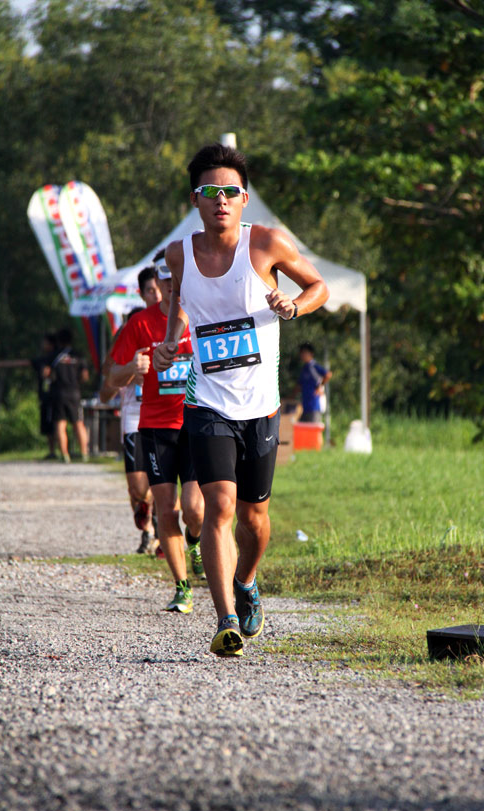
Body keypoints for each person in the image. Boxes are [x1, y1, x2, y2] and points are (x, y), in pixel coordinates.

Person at [154, 142, 329, 657]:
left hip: (262, 406)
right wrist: (169, 345)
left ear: (244, 198)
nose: (221, 200)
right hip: (207, 400)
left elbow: (318, 286)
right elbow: (181, 309)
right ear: (195, 200)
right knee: (219, 505)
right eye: (210, 191)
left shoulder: (267, 244)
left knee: (255, 516)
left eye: (230, 191)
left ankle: (248, 579)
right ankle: (225, 616)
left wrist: (292, 306)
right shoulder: (178, 254)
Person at [109, 253, 205, 613]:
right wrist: (131, 368)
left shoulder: (199, 317)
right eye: (163, 281)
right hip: (155, 427)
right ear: (157, 286)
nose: (168, 286)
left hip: (195, 423)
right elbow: (112, 376)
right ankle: (182, 588)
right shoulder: (139, 324)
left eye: (173, 279)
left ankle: (194, 542)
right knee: (166, 509)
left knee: (195, 510)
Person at [100, 267, 162, 555]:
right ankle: (147, 518)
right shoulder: (131, 329)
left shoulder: (176, 322)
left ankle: (158, 531)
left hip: (166, 413)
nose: (157, 295)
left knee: (164, 481)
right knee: (139, 488)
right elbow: (108, 377)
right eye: (150, 290)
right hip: (135, 416)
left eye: (160, 288)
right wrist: (129, 372)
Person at [50, 328, 90, 463]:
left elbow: (49, 374)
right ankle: (84, 453)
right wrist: (77, 381)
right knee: (78, 423)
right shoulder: (78, 355)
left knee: (60, 424)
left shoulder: (54, 356)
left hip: (59, 393)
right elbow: (85, 376)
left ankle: (65, 454)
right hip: (74, 392)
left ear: (59, 341)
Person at [31, 332, 57, 459]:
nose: (42, 344)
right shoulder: (43, 358)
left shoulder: (55, 358)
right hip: (45, 397)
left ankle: (57, 451)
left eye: (44, 342)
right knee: (48, 426)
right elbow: (26, 362)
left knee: (55, 424)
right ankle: (52, 451)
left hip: (53, 397)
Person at [298, 342, 332, 423]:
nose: (302, 355)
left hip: (314, 406)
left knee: (313, 431)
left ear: (311, 353)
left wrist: (320, 386)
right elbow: (299, 385)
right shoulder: (304, 368)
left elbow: (328, 374)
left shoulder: (313, 366)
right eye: (301, 352)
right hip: (305, 407)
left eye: (305, 352)